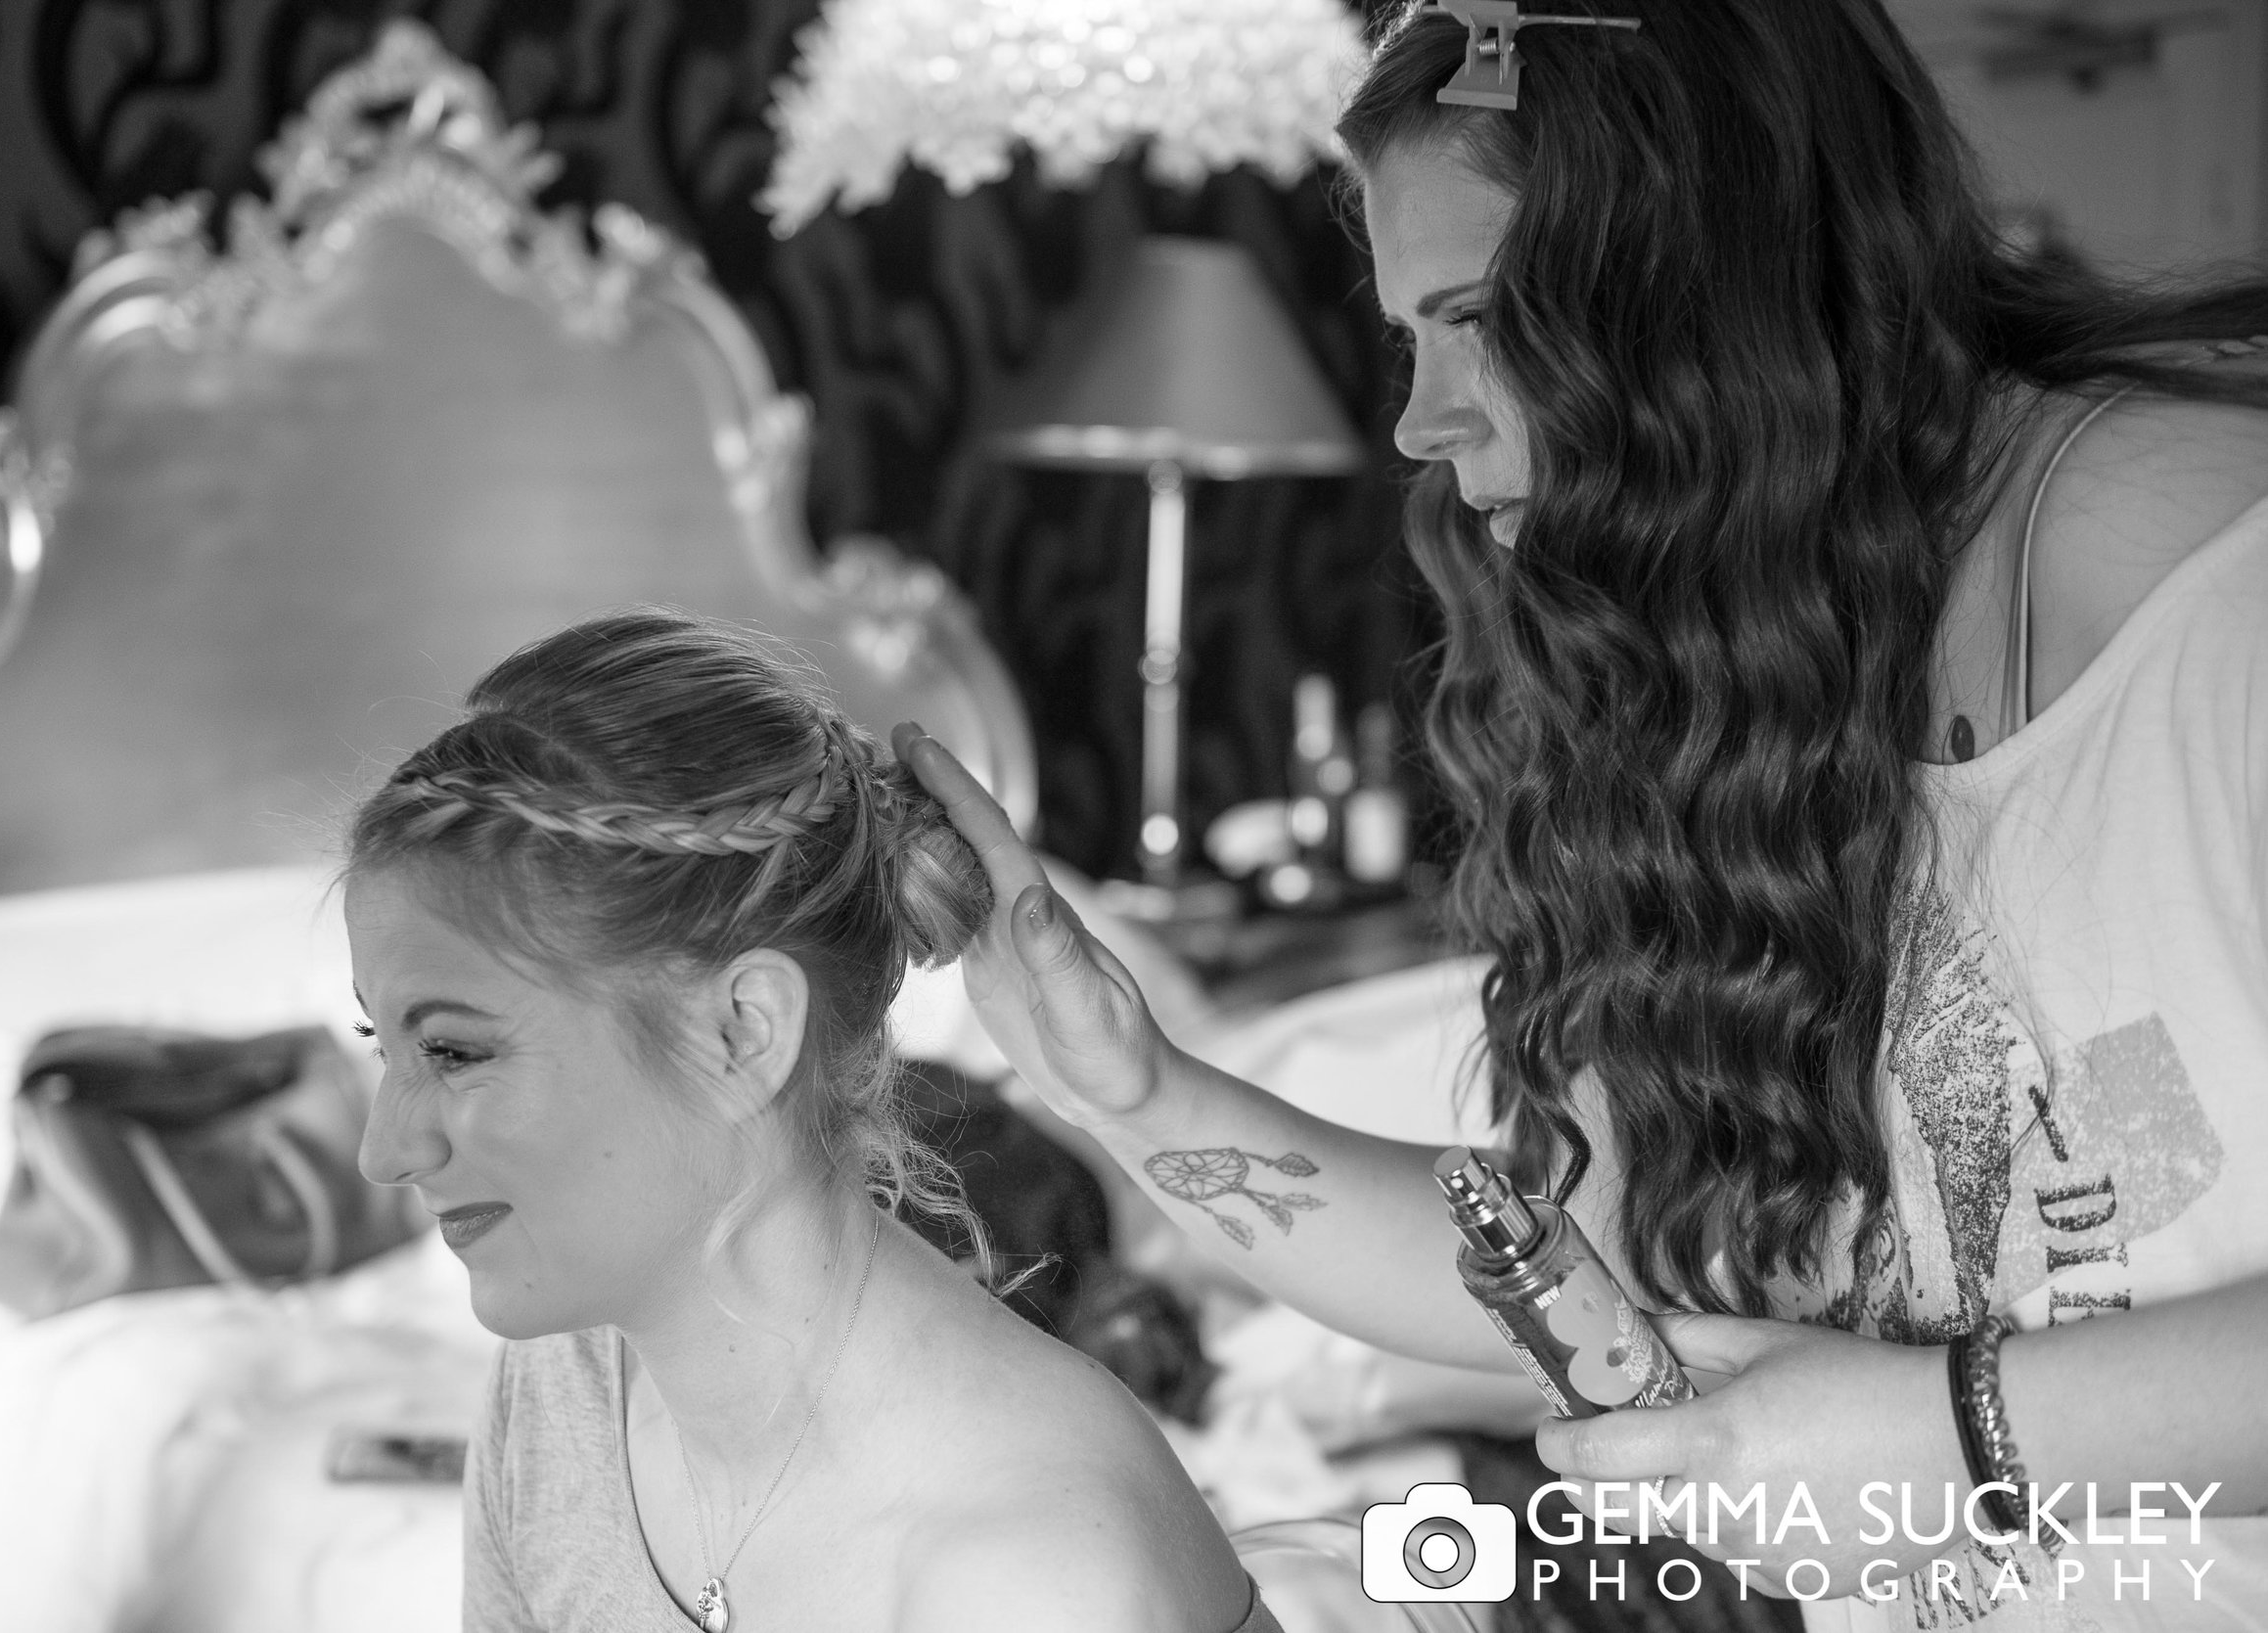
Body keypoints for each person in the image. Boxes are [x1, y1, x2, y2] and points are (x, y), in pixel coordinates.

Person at [898, 1, 2268, 1627]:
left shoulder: (2224, 603)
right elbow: (1596, 1280)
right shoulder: (1757, 664)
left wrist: (1947, 1434)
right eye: (1415, 332)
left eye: (1481, 315)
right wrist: (1117, 1081)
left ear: (1714, 283)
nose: (1421, 419)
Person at [344, 610, 1274, 1633]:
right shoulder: (563, 1388)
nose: (385, 1151)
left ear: (743, 1032)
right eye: (383, 1048)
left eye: (454, 1051)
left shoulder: (1036, 1577)